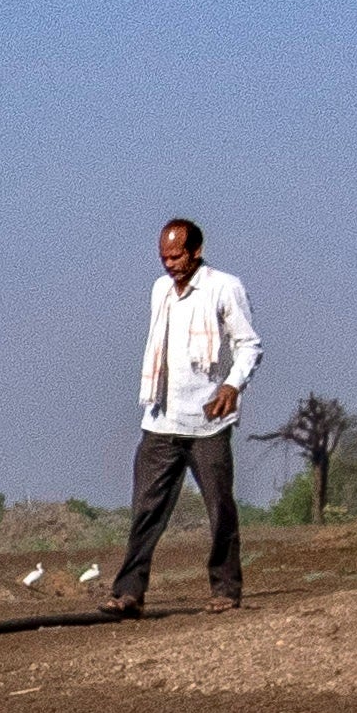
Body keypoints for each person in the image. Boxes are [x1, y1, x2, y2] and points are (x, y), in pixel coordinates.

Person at [115, 216, 259, 615]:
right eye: (164, 257)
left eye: (177, 256)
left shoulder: (224, 287)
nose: (170, 264)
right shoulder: (160, 289)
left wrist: (232, 386)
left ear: (196, 251)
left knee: (219, 507)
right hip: (161, 418)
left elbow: (249, 345)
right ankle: (129, 592)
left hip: (208, 421)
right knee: (146, 508)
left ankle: (226, 589)